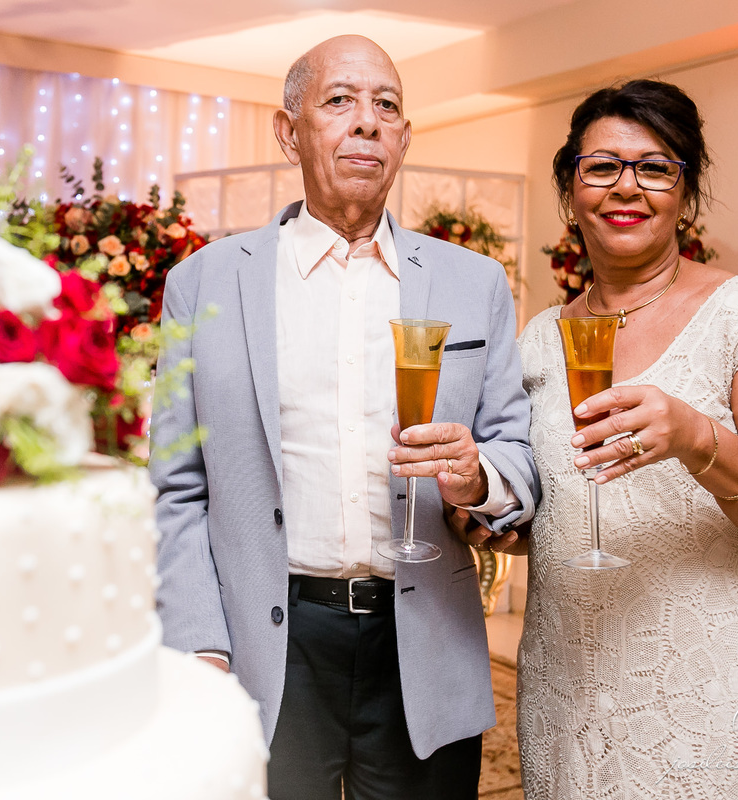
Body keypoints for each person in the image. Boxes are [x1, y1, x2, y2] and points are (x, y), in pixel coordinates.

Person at [149, 34, 539, 800]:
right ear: (288, 129)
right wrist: (200, 644)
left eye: (386, 106)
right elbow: (177, 486)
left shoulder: (473, 283)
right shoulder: (204, 283)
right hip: (270, 645)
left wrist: (479, 476)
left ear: (404, 139)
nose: (367, 121)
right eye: (339, 101)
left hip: (425, 642)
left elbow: (518, 454)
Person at [454, 79, 738, 798]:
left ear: (686, 192)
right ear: (571, 190)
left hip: (710, 693)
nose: (627, 187)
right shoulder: (538, 340)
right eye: (601, 166)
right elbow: (566, 509)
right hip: (568, 688)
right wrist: (497, 517)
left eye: (655, 167)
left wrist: (696, 438)